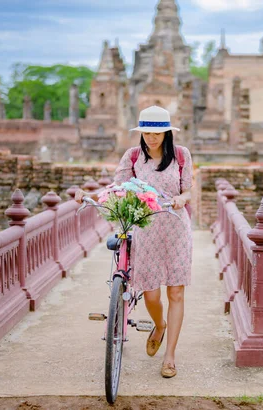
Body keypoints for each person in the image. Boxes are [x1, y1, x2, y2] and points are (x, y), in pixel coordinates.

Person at [76, 105, 193, 378]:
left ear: (166, 133)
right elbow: (116, 188)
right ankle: (159, 325)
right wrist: (88, 194)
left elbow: (188, 189)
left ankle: (170, 357)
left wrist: (181, 199)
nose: (151, 138)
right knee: (151, 294)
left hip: (176, 227)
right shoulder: (132, 157)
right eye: (146, 132)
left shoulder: (180, 155)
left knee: (176, 292)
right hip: (146, 228)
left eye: (157, 133)